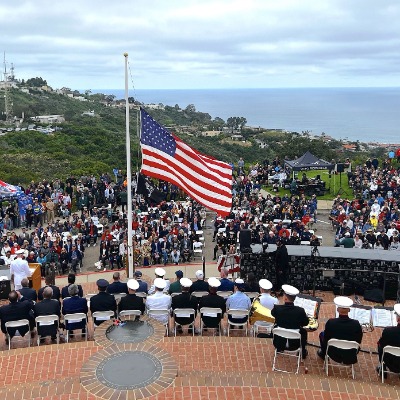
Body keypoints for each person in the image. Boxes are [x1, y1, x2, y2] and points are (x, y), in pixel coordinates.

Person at [317, 296, 363, 362]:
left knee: (322, 334)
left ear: (338, 310)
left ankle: (323, 354)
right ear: (349, 310)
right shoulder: (356, 324)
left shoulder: (331, 322)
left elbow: (326, 339)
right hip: (350, 353)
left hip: (332, 353)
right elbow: (359, 340)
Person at [271, 284, 309, 359]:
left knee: (275, 326)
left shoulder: (277, 308)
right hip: (295, 344)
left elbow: (272, 313)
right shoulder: (300, 311)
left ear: (285, 298)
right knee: (304, 331)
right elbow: (305, 323)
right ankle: (303, 351)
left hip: (279, 343)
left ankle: (279, 349)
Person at [377, 303, 400, 375]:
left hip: (389, 360)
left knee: (380, 346)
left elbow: (381, 344)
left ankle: (383, 369)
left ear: (398, 319)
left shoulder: (388, 331)